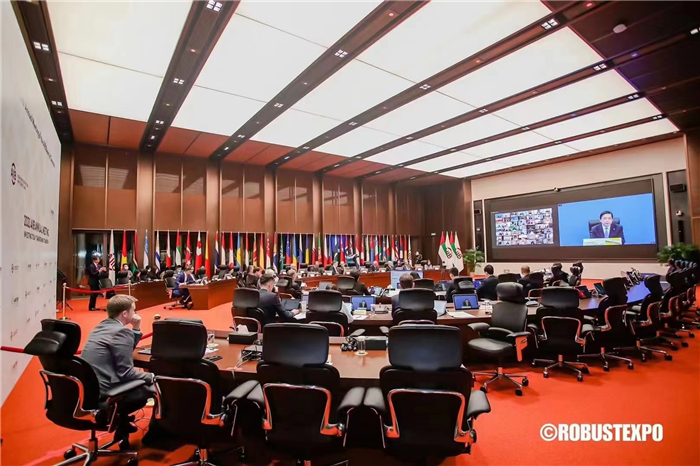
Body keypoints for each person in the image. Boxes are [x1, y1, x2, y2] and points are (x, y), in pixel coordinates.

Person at [80, 295, 155, 437]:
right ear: (125, 314)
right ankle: (120, 418)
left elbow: (124, 349)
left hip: (89, 389)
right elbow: (126, 373)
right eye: (133, 310)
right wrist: (152, 376)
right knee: (148, 388)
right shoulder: (121, 331)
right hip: (106, 390)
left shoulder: (101, 326)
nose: (135, 313)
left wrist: (136, 328)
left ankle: (122, 421)